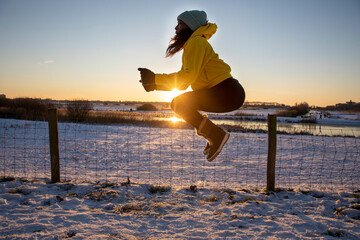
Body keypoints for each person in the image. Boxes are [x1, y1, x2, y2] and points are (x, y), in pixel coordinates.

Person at [138, 10, 245, 162]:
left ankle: (216, 135)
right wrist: (155, 84)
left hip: (227, 92)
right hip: (227, 93)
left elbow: (186, 78)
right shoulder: (194, 44)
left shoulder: (196, 42)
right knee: (180, 103)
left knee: (179, 103)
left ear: (191, 26)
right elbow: (183, 84)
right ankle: (214, 135)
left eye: (180, 24)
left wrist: (154, 79)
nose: (176, 28)